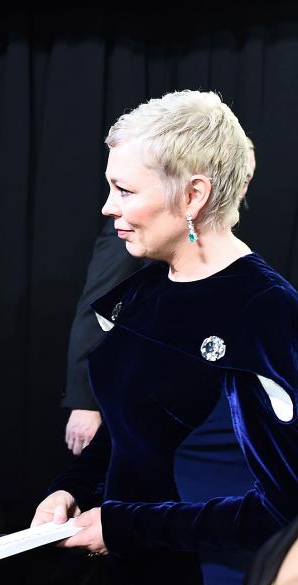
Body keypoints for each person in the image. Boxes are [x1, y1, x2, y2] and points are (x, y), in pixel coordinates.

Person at [32, 91, 298, 585]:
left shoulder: (265, 311)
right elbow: (137, 432)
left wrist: (124, 525)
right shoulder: (145, 291)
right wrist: (74, 488)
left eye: (124, 190)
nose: (108, 207)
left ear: (193, 194)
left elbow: (279, 508)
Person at [62, 142, 257, 456]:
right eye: (236, 176)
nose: (240, 187)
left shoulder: (230, 250)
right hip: (128, 397)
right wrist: (85, 403)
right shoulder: (133, 229)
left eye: (246, 179)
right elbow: (95, 309)